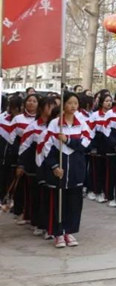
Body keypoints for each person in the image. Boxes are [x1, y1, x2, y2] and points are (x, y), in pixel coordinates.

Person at [43, 92, 91, 248]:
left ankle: (69, 231)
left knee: (74, 202)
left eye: (75, 103)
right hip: (60, 169)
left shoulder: (82, 123)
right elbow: (46, 147)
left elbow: (85, 145)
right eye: (69, 103)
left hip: (77, 167)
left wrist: (68, 140)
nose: (73, 106)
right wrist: (54, 166)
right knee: (59, 201)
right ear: (63, 105)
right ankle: (58, 233)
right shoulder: (55, 124)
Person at [19, 96, 55, 236]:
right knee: (37, 196)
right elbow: (24, 146)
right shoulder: (33, 126)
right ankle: (37, 222)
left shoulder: (57, 125)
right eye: (49, 106)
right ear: (42, 108)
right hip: (36, 166)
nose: (52, 109)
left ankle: (49, 225)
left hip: (52, 166)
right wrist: (22, 164)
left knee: (49, 197)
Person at [12, 94, 39, 222]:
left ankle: (29, 212)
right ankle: (19, 210)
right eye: (29, 101)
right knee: (20, 185)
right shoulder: (18, 118)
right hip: (20, 151)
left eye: (34, 101)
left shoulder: (40, 121)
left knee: (31, 186)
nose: (31, 103)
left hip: (34, 154)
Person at [89, 93, 114, 204]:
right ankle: (96, 191)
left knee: (107, 170)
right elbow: (91, 131)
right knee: (97, 169)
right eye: (106, 101)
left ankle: (105, 192)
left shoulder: (113, 114)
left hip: (108, 144)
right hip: (98, 142)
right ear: (101, 103)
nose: (108, 103)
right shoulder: (95, 115)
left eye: (110, 101)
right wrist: (93, 146)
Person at [0, 95, 23, 209]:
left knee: (13, 178)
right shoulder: (3, 119)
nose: (12, 109)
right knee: (3, 176)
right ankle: (3, 198)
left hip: (16, 155)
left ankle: (11, 198)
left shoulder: (22, 122)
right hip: (4, 154)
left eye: (15, 107)